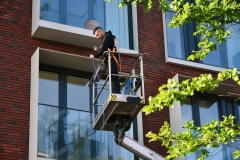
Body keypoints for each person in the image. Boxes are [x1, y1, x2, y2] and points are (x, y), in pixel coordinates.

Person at [90, 27, 121, 94]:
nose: (97, 37)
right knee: (112, 76)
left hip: (112, 58)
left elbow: (104, 48)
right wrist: (98, 50)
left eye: (97, 35)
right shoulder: (107, 37)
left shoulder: (107, 36)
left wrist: (94, 55)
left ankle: (116, 93)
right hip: (111, 58)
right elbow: (105, 48)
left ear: (100, 31)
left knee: (113, 76)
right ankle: (115, 93)